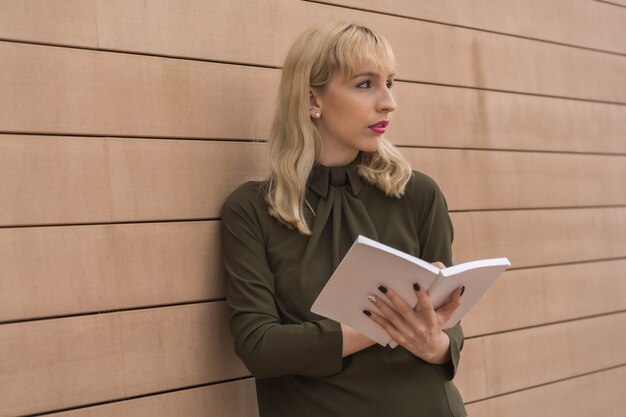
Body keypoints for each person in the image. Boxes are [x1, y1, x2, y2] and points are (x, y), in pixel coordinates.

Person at [221, 21, 467, 417]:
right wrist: (386, 323)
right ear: (311, 99)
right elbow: (260, 348)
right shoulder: (251, 210)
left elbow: (447, 328)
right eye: (365, 84)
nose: (388, 102)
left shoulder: (418, 194)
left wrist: (435, 343)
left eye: (391, 83)